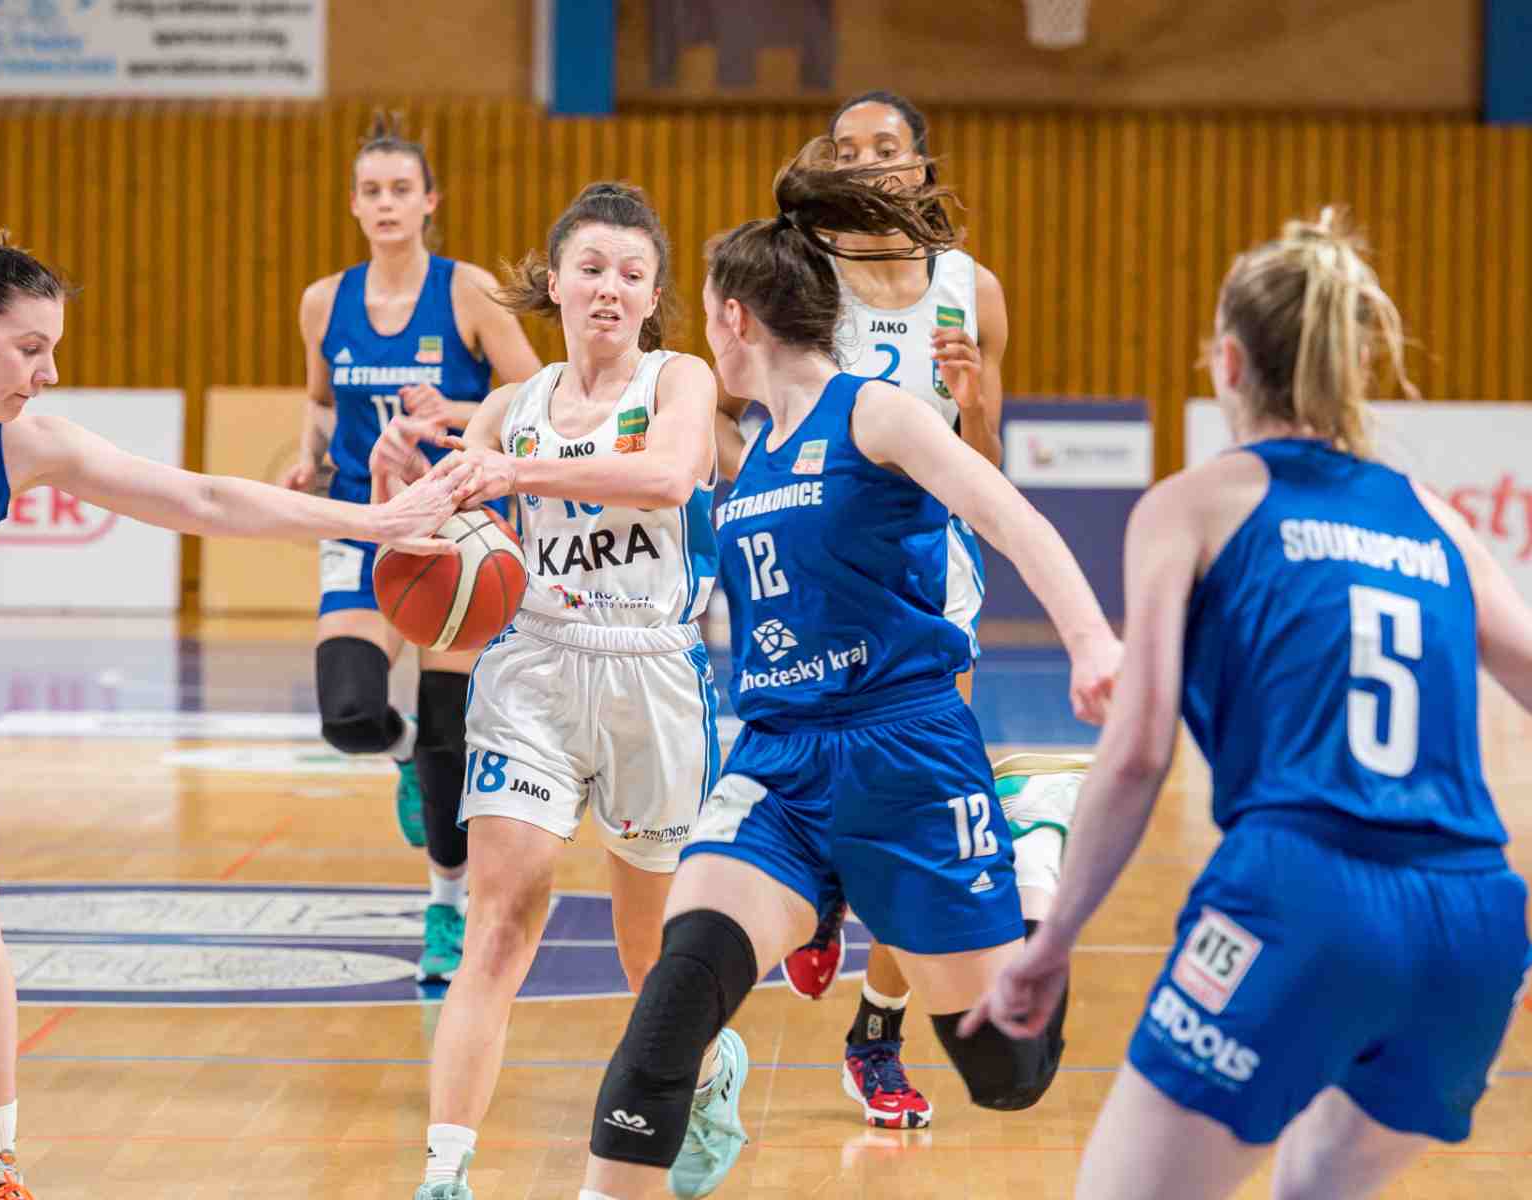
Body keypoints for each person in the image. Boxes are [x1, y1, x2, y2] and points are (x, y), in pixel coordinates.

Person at [0, 209, 475, 1198]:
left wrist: (374, 520)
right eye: (31, 349)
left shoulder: (21, 444)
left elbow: (202, 499)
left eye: (54, 351)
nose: (48, 373)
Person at [572, 140, 1120, 1200]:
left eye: (707, 320)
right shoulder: (753, 453)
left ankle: (1029, 838)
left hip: (906, 754)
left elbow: (1009, 517)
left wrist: (1093, 641)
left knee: (1006, 1074)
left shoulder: (873, 411)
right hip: (779, 766)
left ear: (736, 319)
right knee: (674, 1008)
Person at [964, 209, 1532, 1200]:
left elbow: (1138, 754)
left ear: (1227, 361)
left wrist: (1051, 941)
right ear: (1352, 362)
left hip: (1304, 892)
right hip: (1475, 922)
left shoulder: (1193, 504)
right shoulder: (1434, 517)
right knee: (1313, 1185)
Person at [714, 89, 1091, 1130]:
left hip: (925, 578)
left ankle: (874, 1032)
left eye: (886, 147)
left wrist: (972, 407)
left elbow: (987, 462)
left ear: (921, 167)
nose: (868, 163)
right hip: (815, 564)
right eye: (848, 149)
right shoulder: (803, 274)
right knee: (814, 769)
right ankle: (820, 891)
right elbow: (736, 409)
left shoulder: (972, 289)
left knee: (918, 802)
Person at [369, 182, 727, 1200]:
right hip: (533, 668)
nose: (610, 287)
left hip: (652, 672)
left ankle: (708, 1081)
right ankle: (445, 1170)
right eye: (592, 267)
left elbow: (667, 479)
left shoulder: (678, 380)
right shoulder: (506, 410)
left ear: (652, 296)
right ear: (556, 282)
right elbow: (427, 539)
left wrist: (515, 476)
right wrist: (396, 483)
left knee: (649, 956)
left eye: (631, 273)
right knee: (500, 920)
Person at [280, 112, 542, 984]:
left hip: (457, 526)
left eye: (401, 189)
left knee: (448, 737)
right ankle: (397, 757)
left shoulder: (468, 292)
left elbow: (534, 397)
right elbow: (322, 403)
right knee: (348, 712)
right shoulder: (324, 300)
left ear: (431, 201)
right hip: (365, 519)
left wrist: (455, 413)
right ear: (355, 205)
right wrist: (307, 457)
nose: (386, 203)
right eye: (372, 191)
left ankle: (444, 906)